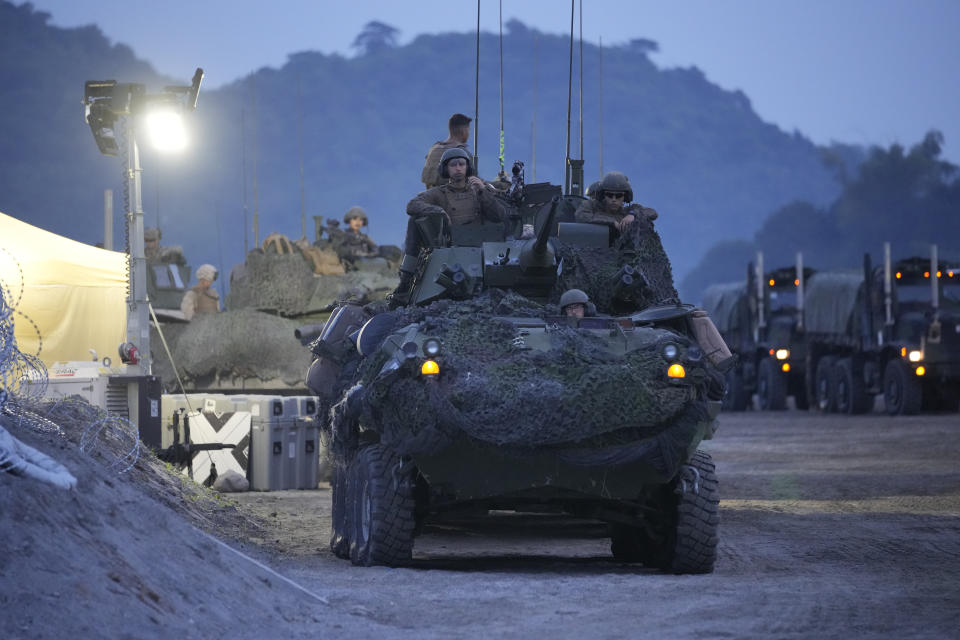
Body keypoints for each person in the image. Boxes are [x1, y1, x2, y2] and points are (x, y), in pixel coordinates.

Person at [390, 148, 505, 305]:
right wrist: (438, 211)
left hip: (479, 251)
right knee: (414, 220)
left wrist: (483, 192)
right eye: (453, 165)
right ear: (445, 169)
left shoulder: (479, 190)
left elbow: (499, 216)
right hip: (451, 250)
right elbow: (412, 205)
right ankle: (405, 282)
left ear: (468, 168)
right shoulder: (439, 193)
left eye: (461, 164)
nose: (458, 168)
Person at [575, 171, 658, 237]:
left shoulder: (627, 211)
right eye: (609, 195)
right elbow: (581, 215)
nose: (614, 200)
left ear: (625, 197)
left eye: (618, 196)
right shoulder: (591, 205)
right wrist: (612, 222)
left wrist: (632, 214)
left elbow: (652, 212)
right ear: (603, 195)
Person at [421, 113, 472, 189]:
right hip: (452, 197)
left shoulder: (434, 149)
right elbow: (471, 181)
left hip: (431, 196)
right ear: (463, 131)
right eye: (468, 130)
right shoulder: (462, 152)